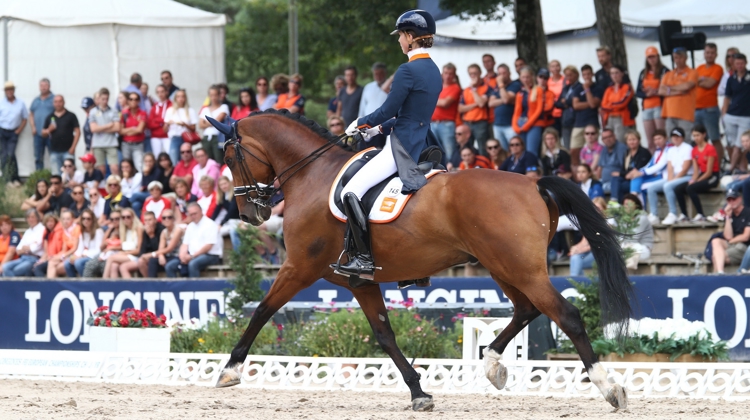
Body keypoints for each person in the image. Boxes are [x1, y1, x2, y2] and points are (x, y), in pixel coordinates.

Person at [337, 9, 441, 279]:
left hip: (402, 147)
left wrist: (360, 122)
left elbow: (387, 109)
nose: (398, 41)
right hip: (422, 142)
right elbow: (412, 115)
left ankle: (363, 259)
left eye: (400, 37)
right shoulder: (433, 70)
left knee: (352, 190)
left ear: (410, 36)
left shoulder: (407, 70)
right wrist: (379, 129)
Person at [646, 128, 694, 225]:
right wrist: (670, 178)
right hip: (674, 177)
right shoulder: (671, 150)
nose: (675, 138)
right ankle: (654, 215)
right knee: (651, 187)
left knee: (667, 186)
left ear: (682, 137)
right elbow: (670, 167)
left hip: (687, 176)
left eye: (678, 136)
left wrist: (672, 180)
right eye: (673, 136)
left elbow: (685, 168)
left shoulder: (688, 148)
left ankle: (673, 213)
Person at [673, 125, 719, 222]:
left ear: (704, 135)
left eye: (698, 135)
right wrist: (693, 180)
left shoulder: (710, 148)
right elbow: (695, 170)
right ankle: (684, 214)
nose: (696, 138)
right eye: (694, 136)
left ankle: (701, 214)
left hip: (712, 176)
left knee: (691, 188)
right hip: (702, 174)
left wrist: (696, 181)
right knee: (678, 189)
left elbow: (709, 172)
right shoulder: (694, 150)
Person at [166, 203, 222, 278]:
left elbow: (208, 246)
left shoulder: (210, 224)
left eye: (195, 213)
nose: (193, 216)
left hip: (211, 255)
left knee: (193, 264)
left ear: (201, 211)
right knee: (169, 266)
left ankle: (193, 288)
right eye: (191, 214)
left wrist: (192, 256)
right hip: (192, 255)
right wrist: (182, 255)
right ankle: (175, 289)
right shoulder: (190, 226)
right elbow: (185, 244)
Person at [629, 129, 671, 221]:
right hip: (656, 175)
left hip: (665, 176)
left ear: (665, 138)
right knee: (637, 178)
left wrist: (642, 172)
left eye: (659, 138)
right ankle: (636, 204)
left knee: (642, 185)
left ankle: (642, 210)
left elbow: (661, 165)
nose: (657, 141)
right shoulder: (658, 151)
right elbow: (650, 164)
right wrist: (639, 171)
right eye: (655, 139)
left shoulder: (669, 149)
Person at [695, 43, 725, 162]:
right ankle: (704, 163)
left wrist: (700, 80)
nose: (709, 55)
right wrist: (702, 80)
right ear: (704, 53)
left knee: (714, 138)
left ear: (716, 54)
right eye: (707, 52)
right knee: (700, 139)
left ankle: (719, 164)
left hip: (710, 109)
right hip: (696, 108)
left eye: (712, 53)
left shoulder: (718, 68)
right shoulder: (699, 68)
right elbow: (693, 82)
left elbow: (710, 84)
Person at [659, 47, 698, 135]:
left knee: (685, 140)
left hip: (685, 113)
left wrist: (669, 88)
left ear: (686, 58)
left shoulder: (692, 72)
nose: (678, 60)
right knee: (671, 140)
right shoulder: (668, 74)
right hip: (669, 112)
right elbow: (661, 91)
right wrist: (678, 91)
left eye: (680, 57)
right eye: (676, 58)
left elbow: (687, 86)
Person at [722, 53, 750, 174]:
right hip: (732, 114)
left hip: (745, 115)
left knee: (740, 145)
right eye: (737, 63)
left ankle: (731, 167)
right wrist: (724, 114)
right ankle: (742, 168)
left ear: (746, 63)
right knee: (733, 144)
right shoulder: (731, 79)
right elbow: (727, 97)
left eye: (741, 63)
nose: (739, 66)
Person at [636, 47, 668, 152]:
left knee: (661, 137)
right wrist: (647, 94)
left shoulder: (664, 70)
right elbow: (638, 91)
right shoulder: (643, 73)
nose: (651, 60)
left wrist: (655, 91)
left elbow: (669, 88)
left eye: (653, 57)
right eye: (649, 57)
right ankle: (654, 162)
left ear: (657, 57)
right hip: (647, 107)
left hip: (659, 105)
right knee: (650, 140)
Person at [570, 65, 603, 166]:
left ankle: (593, 173)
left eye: (589, 74)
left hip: (592, 121)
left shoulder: (597, 88)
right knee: (574, 150)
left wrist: (587, 90)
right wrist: (590, 102)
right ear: (582, 75)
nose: (587, 76)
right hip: (579, 122)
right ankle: (577, 177)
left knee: (593, 149)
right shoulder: (577, 88)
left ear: (592, 74)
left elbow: (594, 104)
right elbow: (575, 105)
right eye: (584, 74)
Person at [711, 189, 750, 274]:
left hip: (743, 246)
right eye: (729, 200)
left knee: (715, 257)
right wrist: (728, 217)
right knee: (715, 241)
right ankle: (720, 272)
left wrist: (732, 241)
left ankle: (717, 276)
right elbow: (728, 236)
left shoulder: (748, 212)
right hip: (732, 245)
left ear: (740, 199)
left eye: (734, 199)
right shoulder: (730, 213)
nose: (731, 202)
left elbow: (746, 236)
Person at [41, 95, 80, 175]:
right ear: (53, 103)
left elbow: (78, 131)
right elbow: (43, 133)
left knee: (70, 174)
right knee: (56, 175)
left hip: (68, 151)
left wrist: (73, 147)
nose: (58, 104)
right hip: (54, 151)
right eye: (56, 102)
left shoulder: (71, 116)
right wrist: (49, 130)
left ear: (64, 102)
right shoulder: (50, 117)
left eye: (60, 101)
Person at [118, 211, 164, 278]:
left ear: (155, 220)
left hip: (159, 255)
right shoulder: (144, 231)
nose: (147, 222)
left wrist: (151, 236)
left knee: (145, 261)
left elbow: (160, 249)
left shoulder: (161, 229)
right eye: (145, 220)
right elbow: (142, 250)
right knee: (138, 261)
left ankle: (149, 283)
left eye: (150, 220)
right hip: (146, 256)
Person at [610, 130, 651, 203]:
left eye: (634, 140)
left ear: (639, 140)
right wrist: (624, 174)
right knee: (615, 179)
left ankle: (618, 205)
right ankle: (614, 200)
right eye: (629, 140)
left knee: (620, 186)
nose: (631, 142)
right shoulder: (627, 153)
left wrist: (622, 174)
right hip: (627, 178)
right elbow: (623, 169)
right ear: (626, 142)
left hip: (639, 179)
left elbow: (638, 169)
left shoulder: (644, 152)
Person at [511, 67, 545, 157]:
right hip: (521, 122)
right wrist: (515, 126)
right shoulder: (520, 93)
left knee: (531, 151)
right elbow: (517, 112)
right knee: (520, 151)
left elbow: (538, 110)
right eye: (523, 77)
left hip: (534, 123)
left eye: (527, 77)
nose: (525, 80)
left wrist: (527, 125)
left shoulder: (538, 90)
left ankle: (532, 170)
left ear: (532, 77)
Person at [489, 63, 523, 152]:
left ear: (509, 73)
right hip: (497, 124)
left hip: (510, 124)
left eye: (504, 73)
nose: (502, 76)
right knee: (502, 151)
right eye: (500, 74)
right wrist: (503, 99)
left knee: (515, 149)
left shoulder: (515, 85)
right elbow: (490, 103)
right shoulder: (496, 88)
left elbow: (507, 99)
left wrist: (501, 85)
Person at [431, 63, 461, 158]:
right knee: (432, 150)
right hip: (433, 123)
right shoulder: (436, 85)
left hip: (447, 124)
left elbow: (445, 103)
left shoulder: (455, 88)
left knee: (449, 151)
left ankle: (450, 171)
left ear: (454, 75)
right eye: (446, 73)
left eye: (450, 73)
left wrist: (431, 99)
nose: (448, 76)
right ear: (442, 74)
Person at [459, 64, 491, 154]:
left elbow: (481, 104)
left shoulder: (486, 87)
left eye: (475, 73)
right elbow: (460, 108)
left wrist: (474, 89)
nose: (473, 76)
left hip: (480, 123)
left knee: (482, 148)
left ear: (480, 73)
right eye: (471, 74)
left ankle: (483, 167)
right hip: (467, 122)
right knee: (467, 149)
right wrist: (475, 104)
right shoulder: (466, 90)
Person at [0, 81, 27, 186]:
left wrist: (19, 130)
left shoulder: (20, 103)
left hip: (13, 132)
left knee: (10, 155)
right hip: (2, 131)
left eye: (11, 89)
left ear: (14, 91)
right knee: (3, 155)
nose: (9, 92)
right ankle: (7, 179)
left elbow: (25, 118)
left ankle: (15, 178)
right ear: (5, 92)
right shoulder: (2, 103)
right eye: (7, 90)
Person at [103, 208, 143, 278]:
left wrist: (124, 253)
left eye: (128, 217)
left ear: (133, 217)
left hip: (136, 256)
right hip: (127, 255)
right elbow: (123, 246)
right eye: (123, 217)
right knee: (114, 265)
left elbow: (138, 251)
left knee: (111, 258)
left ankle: (103, 281)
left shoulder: (138, 228)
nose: (126, 219)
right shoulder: (124, 230)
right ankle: (114, 287)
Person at [141, 208, 183, 277]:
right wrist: (161, 256)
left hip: (179, 256)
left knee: (169, 266)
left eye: (169, 217)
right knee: (152, 261)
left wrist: (152, 254)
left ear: (173, 219)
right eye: (164, 218)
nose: (166, 219)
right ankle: (152, 285)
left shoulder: (178, 230)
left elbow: (170, 248)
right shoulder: (164, 232)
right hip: (169, 256)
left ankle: (172, 287)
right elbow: (161, 248)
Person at [2, 210, 45, 276]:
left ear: (37, 218)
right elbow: (18, 250)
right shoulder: (28, 231)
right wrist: (28, 247)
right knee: (5, 267)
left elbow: (35, 248)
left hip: (34, 259)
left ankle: (13, 286)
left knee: (14, 271)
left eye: (32, 217)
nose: (30, 219)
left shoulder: (42, 229)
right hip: (23, 258)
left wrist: (26, 248)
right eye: (28, 217)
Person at [89, 88, 120, 176]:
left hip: (111, 143)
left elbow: (117, 127)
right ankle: (102, 188)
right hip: (98, 144)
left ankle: (116, 187)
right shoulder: (93, 111)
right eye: (103, 99)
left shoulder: (113, 110)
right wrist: (109, 125)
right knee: (100, 169)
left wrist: (100, 128)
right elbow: (93, 129)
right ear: (99, 99)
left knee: (114, 168)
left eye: (107, 99)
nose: (105, 101)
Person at [63, 209, 103, 277]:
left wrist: (82, 255)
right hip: (84, 256)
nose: (86, 221)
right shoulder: (82, 232)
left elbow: (98, 250)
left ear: (92, 220)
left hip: (94, 256)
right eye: (83, 218)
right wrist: (74, 256)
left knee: (78, 263)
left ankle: (86, 283)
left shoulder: (98, 231)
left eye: (88, 219)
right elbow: (80, 248)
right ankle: (74, 285)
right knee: (67, 262)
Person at [600, 65, 635, 143]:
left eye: (616, 73)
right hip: (609, 119)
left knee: (620, 141)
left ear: (622, 74)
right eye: (612, 73)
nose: (614, 75)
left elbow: (622, 103)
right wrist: (613, 106)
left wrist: (610, 105)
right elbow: (603, 105)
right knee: (609, 142)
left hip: (621, 118)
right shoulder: (609, 89)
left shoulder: (627, 87)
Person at [82, 210, 121, 277]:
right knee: (89, 265)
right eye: (112, 219)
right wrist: (107, 242)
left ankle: (105, 285)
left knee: (103, 265)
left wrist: (112, 247)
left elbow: (124, 247)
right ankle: (86, 285)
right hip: (104, 253)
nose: (114, 221)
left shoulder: (123, 230)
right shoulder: (110, 230)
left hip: (116, 254)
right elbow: (101, 247)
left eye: (117, 219)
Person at [42, 210, 81, 278]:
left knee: (54, 268)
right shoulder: (65, 231)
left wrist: (62, 256)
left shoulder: (76, 228)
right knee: (51, 262)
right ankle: (50, 286)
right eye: (63, 219)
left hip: (78, 255)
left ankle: (49, 286)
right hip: (69, 255)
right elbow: (64, 250)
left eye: (68, 219)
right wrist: (56, 256)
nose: (66, 221)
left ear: (73, 219)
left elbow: (75, 248)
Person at [620, 194, 654, 270]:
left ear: (636, 205)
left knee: (627, 249)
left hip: (643, 248)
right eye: (625, 204)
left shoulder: (642, 218)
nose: (627, 206)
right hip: (626, 246)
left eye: (630, 204)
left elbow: (633, 238)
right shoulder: (623, 219)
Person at [198, 85, 229, 163]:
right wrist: (211, 122)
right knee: (207, 160)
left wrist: (206, 122)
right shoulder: (205, 109)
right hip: (207, 137)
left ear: (219, 95)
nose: (213, 97)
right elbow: (200, 125)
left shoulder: (224, 107)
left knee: (219, 159)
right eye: (211, 95)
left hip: (218, 137)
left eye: (215, 95)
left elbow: (217, 122)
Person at [29, 78, 54, 171]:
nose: (43, 88)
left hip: (51, 134)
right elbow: (31, 114)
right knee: (38, 157)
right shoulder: (36, 100)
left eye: (45, 85)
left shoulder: (54, 99)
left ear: (49, 86)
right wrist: (33, 127)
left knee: (54, 156)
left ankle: (55, 178)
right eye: (41, 86)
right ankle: (40, 178)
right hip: (38, 134)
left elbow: (56, 115)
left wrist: (51, 127)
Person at [554, 66, 580, 153]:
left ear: (576, 75)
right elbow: (557, 103)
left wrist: (566, 102)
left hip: (576, 119)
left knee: (576, 146)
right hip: (565, 119)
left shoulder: (580, 87)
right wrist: (566, 103)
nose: (569, 78)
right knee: (567, 146)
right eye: (567, 76)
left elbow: (574, 102)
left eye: (570, 75)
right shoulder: (566, 88)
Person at [119, 92, 147, 171]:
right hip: (126, 144)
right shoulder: (124, 113)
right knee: (126, 166)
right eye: (131, 99)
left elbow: (140, 129)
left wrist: (127, 130)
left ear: (139, 101)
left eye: (135, 99)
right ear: (128, 101)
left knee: (139, 165)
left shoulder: (142, 113)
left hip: (138, 144)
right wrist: (133, 128)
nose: (133, 101)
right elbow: (120, 131)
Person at [598, 128, 628, 193]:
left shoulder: (621, 148)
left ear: (614, 136)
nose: (608, 139)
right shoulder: (604, 149)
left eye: (610, 136)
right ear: (602, 140)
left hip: (616, 182)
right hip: (603, 182)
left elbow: (625, 167)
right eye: (605, 138)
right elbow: (600, 168)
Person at [146, 84, 172, 157]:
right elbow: (149, 123)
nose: (160, 94)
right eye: (158, 92)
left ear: (166, 92)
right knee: (157, 157)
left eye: (162, 91)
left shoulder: (171, 104)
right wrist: (162, 123)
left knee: (170, 156)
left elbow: (171, 120)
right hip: (155, 136)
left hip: (167, 135)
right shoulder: (155, 106)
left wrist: (156, 120)